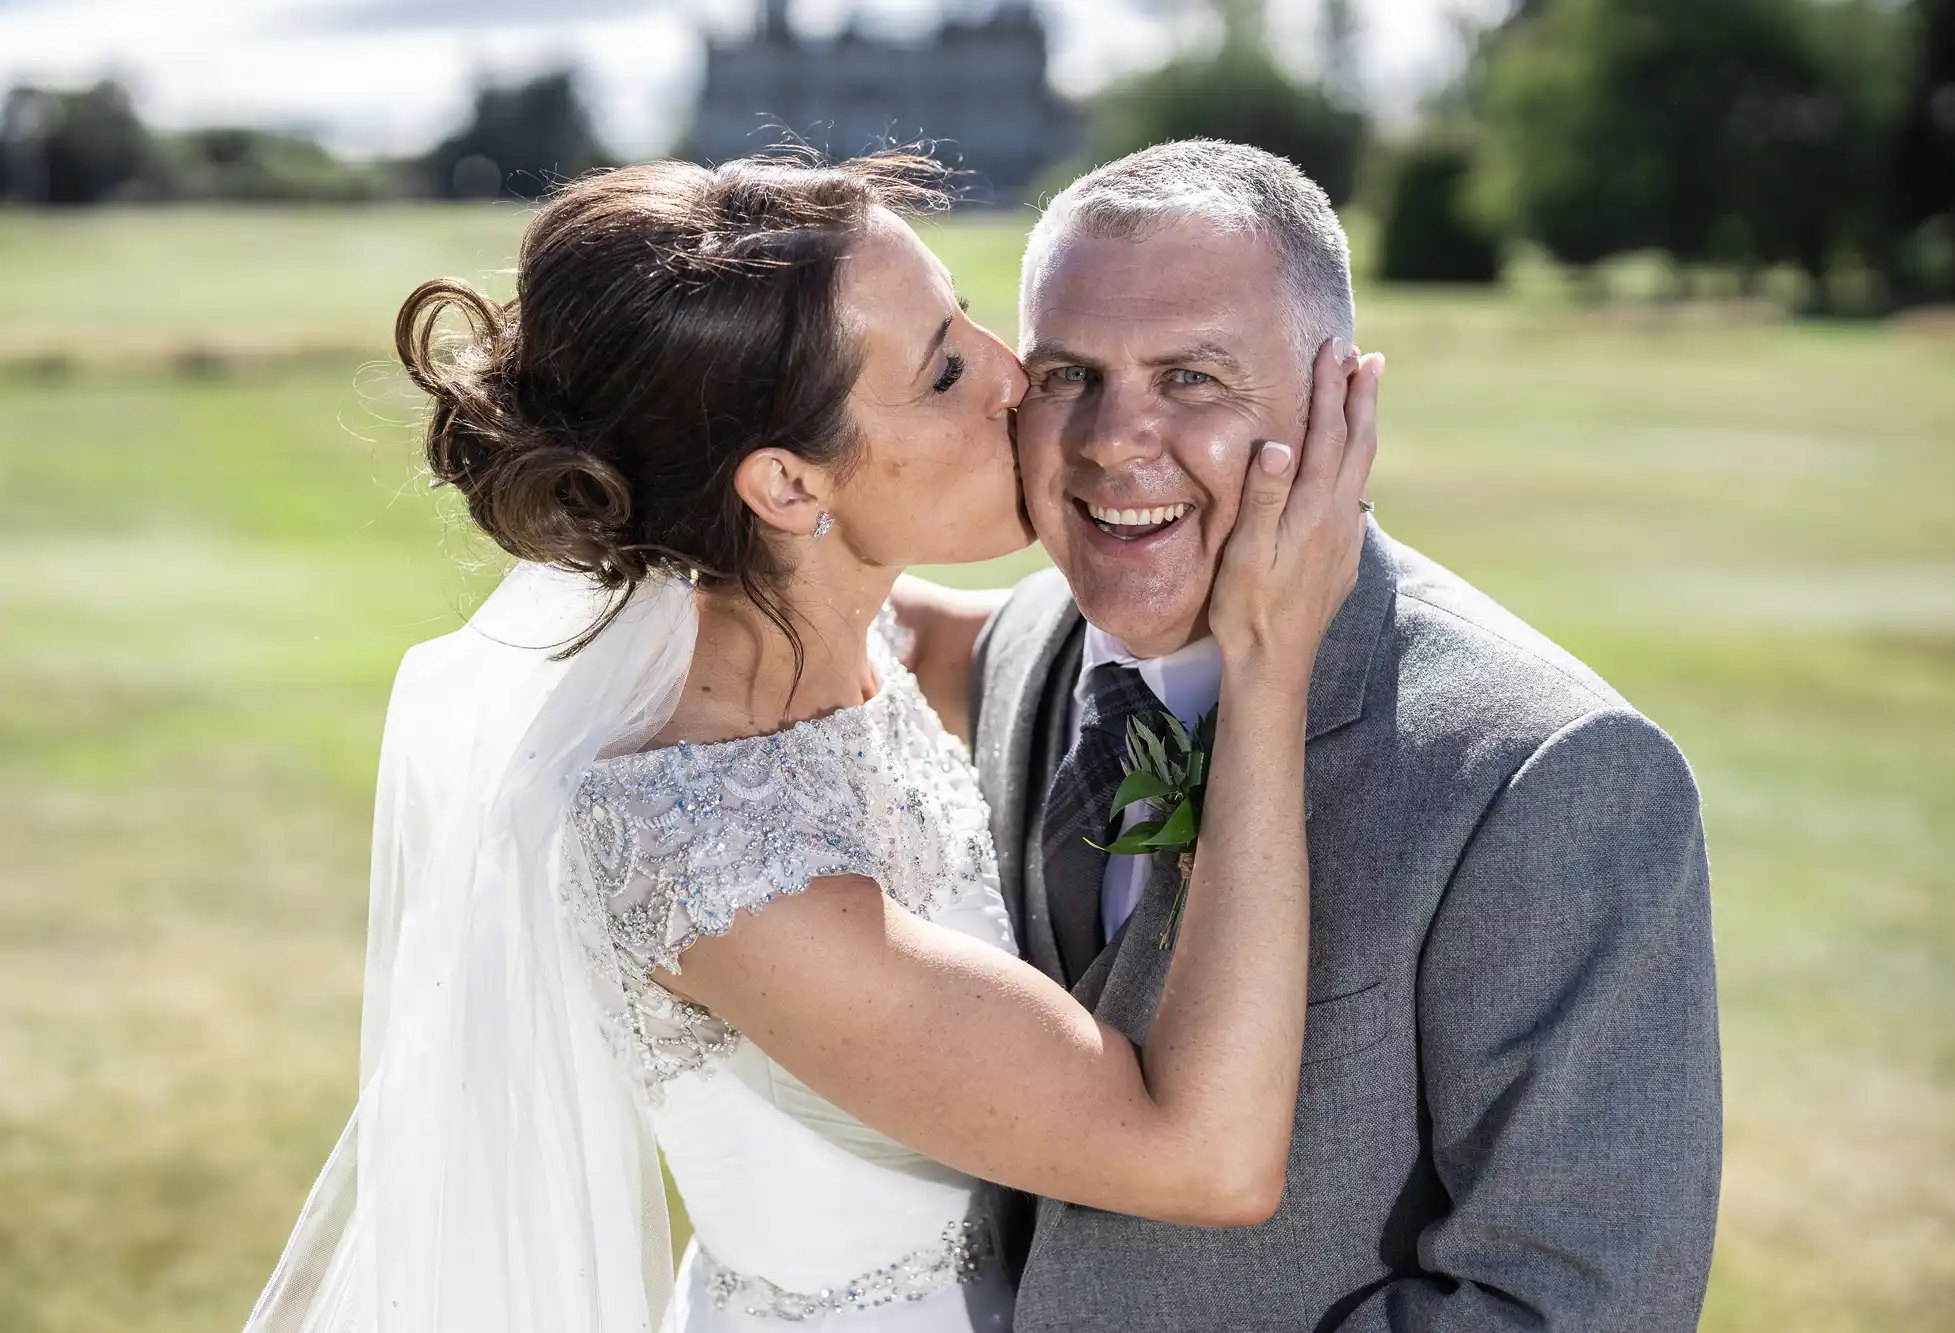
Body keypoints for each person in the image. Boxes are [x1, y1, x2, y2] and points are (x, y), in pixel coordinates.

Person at [245, 152, 1379, 1333]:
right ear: (788, 486)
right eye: (942, 371)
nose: (1015, 379)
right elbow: (1200, 1159)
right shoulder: (723, 872)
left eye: (969, 322)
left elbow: (1059, 644)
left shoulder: (855, 638)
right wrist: (1264, 661)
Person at [913, 140, 1724, 1331]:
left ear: (1339, 394)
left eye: (1191, 378)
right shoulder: (1025, 642)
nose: (1110, 440)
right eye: (1065, 374)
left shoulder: (1550, 773)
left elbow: (1566, 1300)